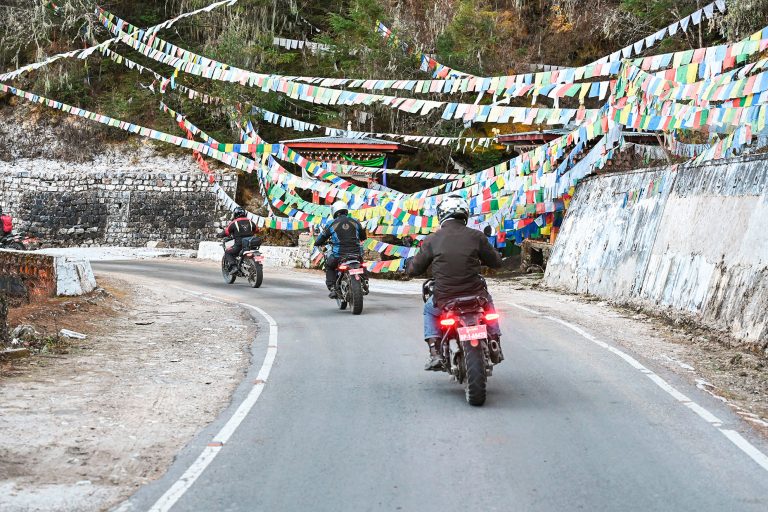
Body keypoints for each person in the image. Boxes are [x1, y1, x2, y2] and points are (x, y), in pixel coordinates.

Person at [406, 194, 503, 371]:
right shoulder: (476, 236)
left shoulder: (432, 239)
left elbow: (414, 269)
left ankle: (435, 352)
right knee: (488, 304)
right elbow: (496, 262)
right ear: (465, 214)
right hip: (476, 296)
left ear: (441, 215)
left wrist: (409, 265)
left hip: (445, 297)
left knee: (429, 310)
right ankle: (495, 340)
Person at [315, 201, 367, 298]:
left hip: (339, 255)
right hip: (356, 254)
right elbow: (363, 236)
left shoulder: (332, 223)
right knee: (361, 263)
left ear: (334, 211)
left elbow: (322, 237)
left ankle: (333, 288)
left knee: (329, 266)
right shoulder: (355, 221)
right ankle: (365, 282)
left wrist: (317, 242)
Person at [218, 207, 259, 275]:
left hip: (239, 245)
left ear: (235, 214)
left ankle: (234, 267)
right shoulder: (250, 221)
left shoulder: (234, 223)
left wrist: (219, 235)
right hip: (250, 245)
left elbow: (226, 232)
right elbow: (257, 230)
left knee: (228, 252)